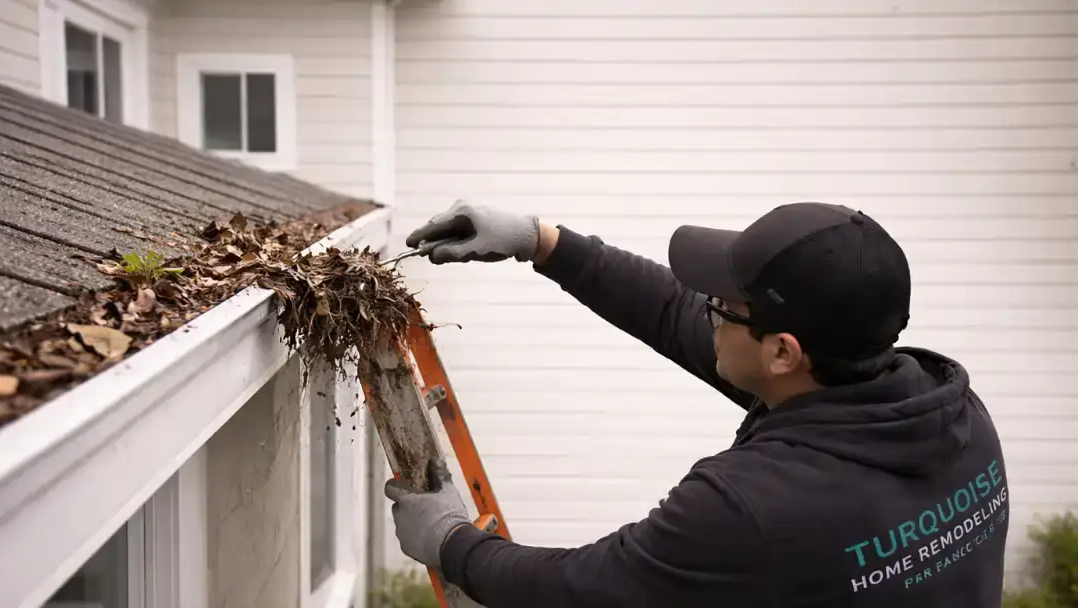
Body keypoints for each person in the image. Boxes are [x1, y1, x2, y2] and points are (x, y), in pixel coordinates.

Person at [383, 200, 1010, 607]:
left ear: (783, 353)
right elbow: (671, 311)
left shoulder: (749, 507)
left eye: (722, 306)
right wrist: (543, 242)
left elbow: (580, 592)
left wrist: (450, 541)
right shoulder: (951, 412)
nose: (704, 312)